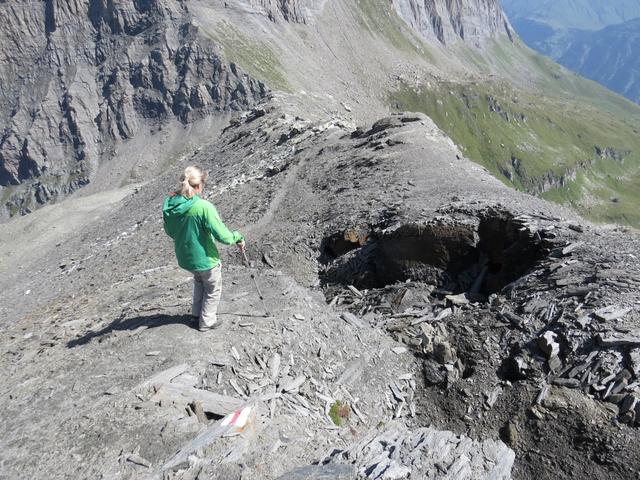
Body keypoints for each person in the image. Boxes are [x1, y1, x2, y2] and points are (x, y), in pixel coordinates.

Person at [163, 166, 245, 331]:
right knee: (213, 288)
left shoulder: (171, 206)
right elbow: (224, 237)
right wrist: (238, 236)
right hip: (206, 259)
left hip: (186, 258)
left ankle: (195, 315)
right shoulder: (203, 207)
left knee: (200, 281)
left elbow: (170, 231)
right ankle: (207, 321)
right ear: (198, 185)